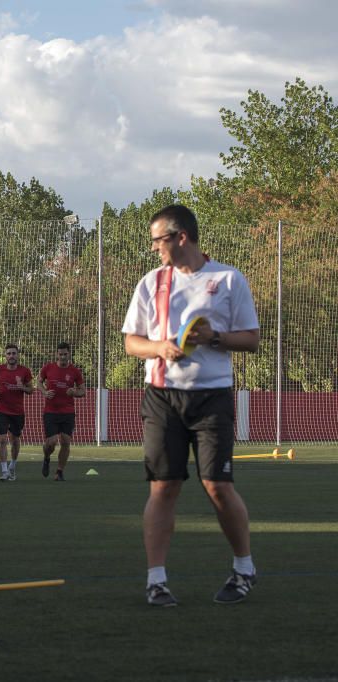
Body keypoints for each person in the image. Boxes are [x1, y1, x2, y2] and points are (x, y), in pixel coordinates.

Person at [122, 204, 260, 607]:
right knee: (163, 486)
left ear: (181, 237)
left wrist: (212, 338)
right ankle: (156, 580)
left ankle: (244, 567)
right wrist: (160, 348)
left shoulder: (228, 279)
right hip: (162, 396)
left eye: (157, 240)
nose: (153, 248)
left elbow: (250, 339)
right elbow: (132, 341)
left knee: (217, 484)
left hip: (212, 395)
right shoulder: (151, 283)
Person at [38, 342, 85, 481]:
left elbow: (83, 391)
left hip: (68, 412)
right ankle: (46, 458)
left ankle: (59, 471)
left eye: (65, 354)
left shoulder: (75, 371)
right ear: (56, 354)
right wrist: (45, 392)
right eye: (61, 354)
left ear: (69, 354)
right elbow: (39, 383)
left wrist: (74, 392)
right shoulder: (48, 368)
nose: (63, 357)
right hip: (51, 412)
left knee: (65, 441)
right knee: (51, 443)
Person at [0, 343, 34, 481]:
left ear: (18, 355)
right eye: (9, 353)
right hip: (1, 409)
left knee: (15, 440)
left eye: (14, 353)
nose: (11, 356)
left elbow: (31, 390)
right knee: (2, 439)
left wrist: (23, 387)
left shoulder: (24, 371)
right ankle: (4, 471)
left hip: (17, 411)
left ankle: (12, 467)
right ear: (5, 356)